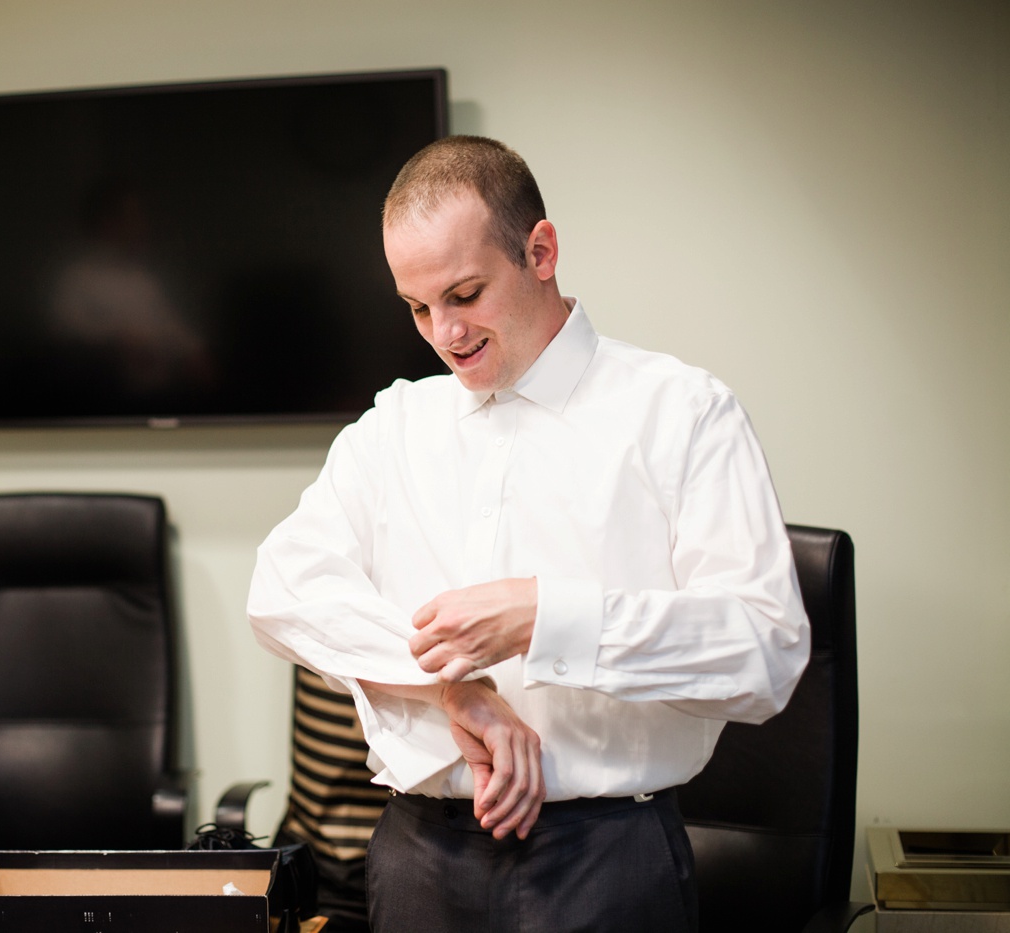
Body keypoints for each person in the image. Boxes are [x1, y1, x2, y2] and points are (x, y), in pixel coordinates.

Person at [247, 135, 810, 933]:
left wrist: (547, 618)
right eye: (417, 307)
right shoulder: (395, 425)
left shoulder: (680, 412)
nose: (445, 333)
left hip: (607, 862)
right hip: (416, 858)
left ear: (539, 250)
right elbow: (281, 591)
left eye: (465, 293)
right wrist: (452, 688)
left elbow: (767, 649)